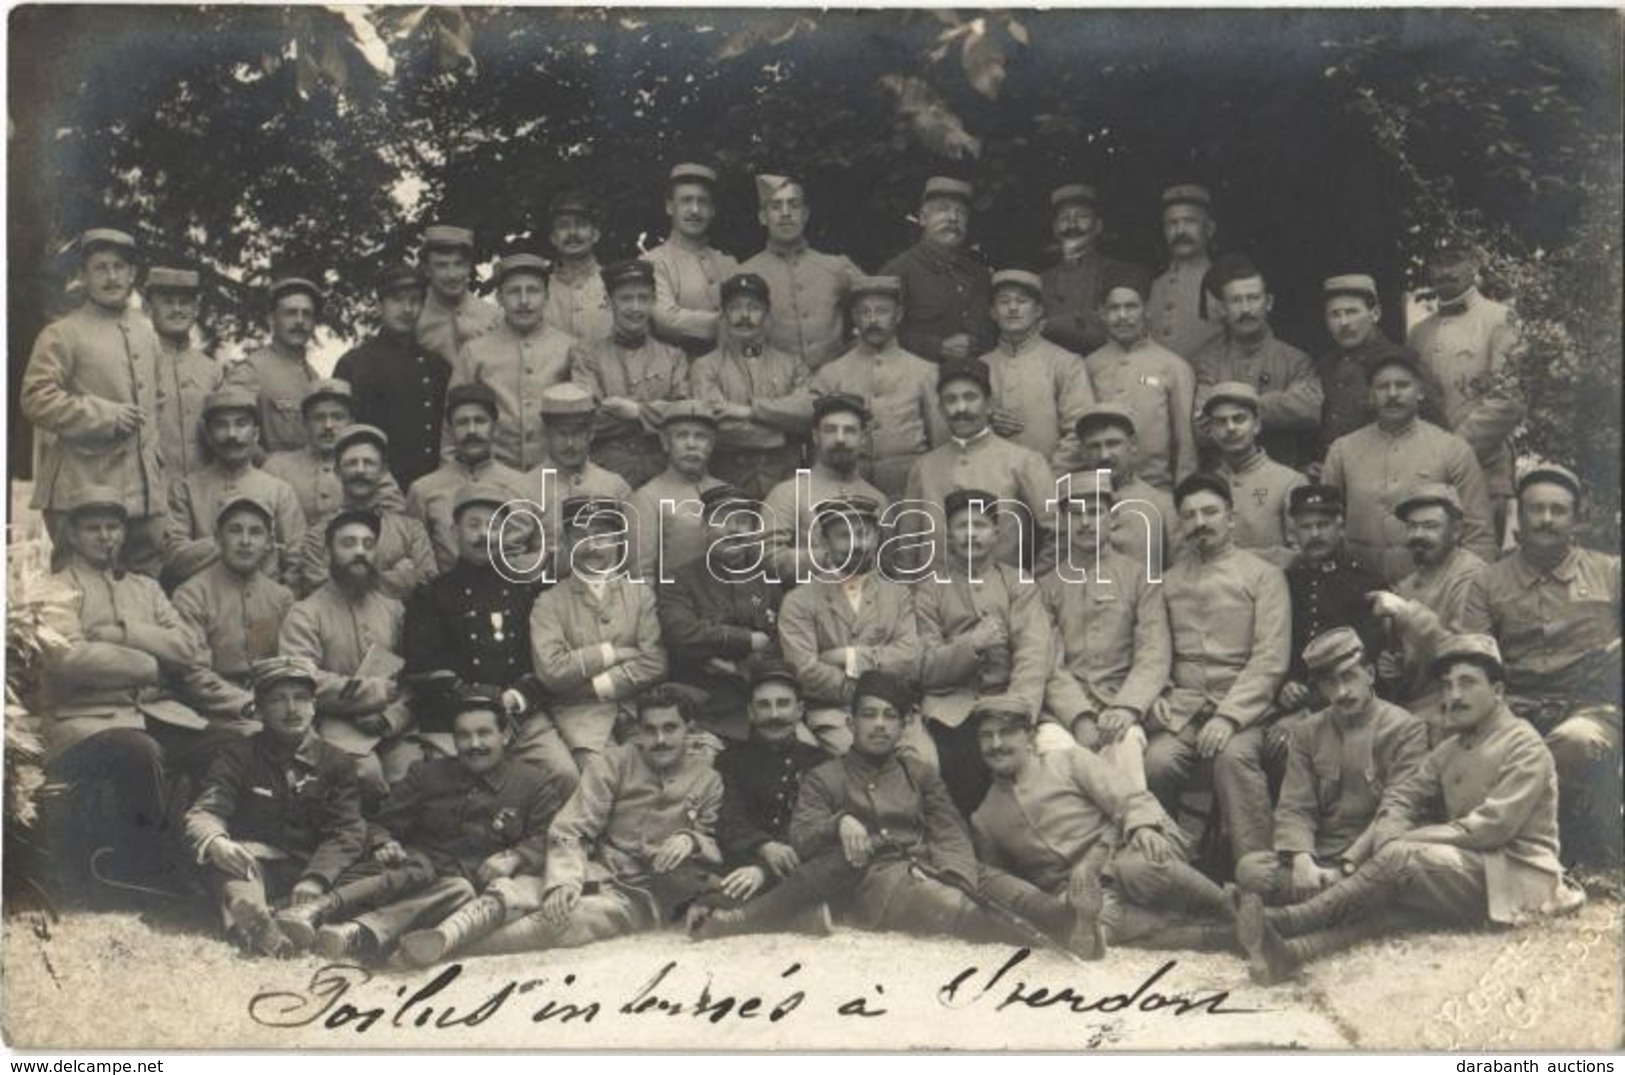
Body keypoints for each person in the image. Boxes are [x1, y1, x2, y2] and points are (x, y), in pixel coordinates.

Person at [1236, 635, 1583, 986]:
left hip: (1515, 875)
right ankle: (1293, 952)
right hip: (1461, 871)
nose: (1454, 696)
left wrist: (1396, 843)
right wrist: (1376, 845)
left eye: (1467, 683)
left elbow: (1489, 830)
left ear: (1497, 691)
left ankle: (1286, 921)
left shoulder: (1525, 745)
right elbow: (1403, 797)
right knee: (1391, 910)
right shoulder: (1452, 746)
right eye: (1446, 686)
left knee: (1400, 862)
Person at [36, 485, 227, 895]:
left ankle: (212, 857)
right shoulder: (55, 589)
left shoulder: (147, 589)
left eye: (113, 527)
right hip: (83, 724)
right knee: (139, 751)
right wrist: (149, 664)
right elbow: (69, 663)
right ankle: (141, 864)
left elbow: (189, 648)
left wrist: (122, 632)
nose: (105, 537)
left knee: (225, 744)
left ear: (124, 533)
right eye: (93, 528)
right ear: (71, 535)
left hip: (152, 715)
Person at [302, 690, 576, 965]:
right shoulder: (426, 775)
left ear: (505, 736)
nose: (474, 744)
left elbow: (551, 837)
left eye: (484, 733)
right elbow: (380, 824)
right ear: (453, 740)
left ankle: (357, 932)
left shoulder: (533, 783)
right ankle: (323, 915)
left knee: (460, 891)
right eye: (464, 736)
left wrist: (516, 856)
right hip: (403, 878)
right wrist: (385, 844)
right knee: (426, 879)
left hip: (455, 895)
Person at [465, 687, 729, 955]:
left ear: (689, 728)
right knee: (517, 892)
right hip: (599, 866)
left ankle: (466, 950)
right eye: (650, 730)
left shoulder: (708, 779)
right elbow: (571, 827)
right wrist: (564, 881)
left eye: (670, 728)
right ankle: (449, 935)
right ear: (639, 731)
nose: (660, 739)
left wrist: (691, 840)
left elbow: (715, 842)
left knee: (573, 919)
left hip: (642, 894)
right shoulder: (615, 763)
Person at [971, 699, 1239, 957]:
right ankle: (1233, 935)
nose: (996, 744)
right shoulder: (985, 817)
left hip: (1123, 851)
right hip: (1087, 890)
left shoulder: (1068, 762)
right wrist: (1058, 901)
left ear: (1029, 736)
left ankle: (1229, 908)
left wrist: (1142, 827)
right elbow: (1003, 880)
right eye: (986, 736)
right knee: (1104, 920)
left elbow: (1127, 798)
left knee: (1139, 868)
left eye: (1006, 733)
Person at [786, 672, 1034, 942]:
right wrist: (838, 822)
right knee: (955, 908)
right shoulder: (824, 777)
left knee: (1018, 894)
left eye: (890, 716)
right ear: (850, 723)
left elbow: (949, 832)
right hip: (880, 883)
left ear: (903, 725)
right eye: (869, 715)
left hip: (933, 865)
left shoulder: (920, 774)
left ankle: (1070, 922)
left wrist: (956, 877)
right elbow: (801, 838)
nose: (879, 725)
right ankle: (1030, 943)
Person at [1458, 465, 1621, 866]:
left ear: (1576, 519)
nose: (1547, 519)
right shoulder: (1488, 582)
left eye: (1558, 510)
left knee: (1576, 742)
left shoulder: (1611, 572)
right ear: (1520, 517)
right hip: (1515, 708)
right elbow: (1473, 658)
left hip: (1592, 709)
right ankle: (1519, 853)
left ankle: (1539, 850)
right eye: (1536, 509)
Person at [1145, 474, 1290, 867]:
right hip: (1184, 708)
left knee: (1232, 759)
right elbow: (1157, 651)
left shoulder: (1263, 576)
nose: (1200, 522)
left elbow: (1270, 658)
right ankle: (1168, 866)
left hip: (1246, 712)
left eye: (1210, 512)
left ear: (1231, 517)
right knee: (1156, 763)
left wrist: (1228, 717)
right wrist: (1158, 692)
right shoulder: (1169, 581)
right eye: (1189, 516)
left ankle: (1257, 874)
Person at [183, 656, 365, 957]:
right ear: (259, 710)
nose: (292, 709)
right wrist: (215, 841)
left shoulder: (336, 761)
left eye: (301, 698)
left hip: (313, 867)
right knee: (234, 871)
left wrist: (316, 877)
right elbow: (206, 810)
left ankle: (296, 916)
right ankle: (261, 929)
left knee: (373, 872)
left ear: (314, 706)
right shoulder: (239, 755)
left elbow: (347, 831)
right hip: (260, 867)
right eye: (278, 700)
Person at [1234, 628, 1428, 905]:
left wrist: (1347, 866)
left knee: (1399, 868)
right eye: (1329, 683)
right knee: (1250, 870)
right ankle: (1337, 902)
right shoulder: (1307, 732)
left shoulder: (1406, 729)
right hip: (1322, 854)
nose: (1342, 692)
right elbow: (1295, 806)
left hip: (1373, 853)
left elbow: (1395, 811)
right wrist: (1303, 861)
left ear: (1370, 674)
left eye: (1349, 677)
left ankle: (1313, 909)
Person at [402, 483, 575, 782]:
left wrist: (519, 698)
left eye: (494, 526)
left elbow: (545, 660)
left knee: (563, 774)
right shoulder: (432, 595)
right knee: (450, 787)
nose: (484, 534)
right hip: (452, 720)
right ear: (454, 533)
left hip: (519, 719)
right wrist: (475, 705)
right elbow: (423, 666)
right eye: (473, 525)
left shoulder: (527, 591)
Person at [22, 228, 166, 575]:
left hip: (143, 498)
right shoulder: (63, 333)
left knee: (141, 596)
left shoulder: (146, 331)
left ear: (132, 274)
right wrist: (104, 415)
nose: (111, 276)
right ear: (84, 275)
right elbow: (35, 398)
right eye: (100, 268)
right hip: (83, 493)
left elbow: (156, 404)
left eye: (120, 267)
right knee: (81, 596)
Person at [913, 489, 1052, 816]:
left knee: (1029, 761)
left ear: (996, 534)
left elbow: (1032, 654)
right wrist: (971, 644)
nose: (971, 534)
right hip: (951, 706)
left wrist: (1019, 711)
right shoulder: (931, 588)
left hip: (1008, 698)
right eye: (962, 526)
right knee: (960, 761)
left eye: (980, 525)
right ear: (948, 535)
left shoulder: (1018, 584)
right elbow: (926, 667)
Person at [278, 509, 415, 802]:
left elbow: (412, 678)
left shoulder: (394, 610)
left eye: (368, 545)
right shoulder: (306, 613)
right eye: (349, 543)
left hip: (387, 726)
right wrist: (371, 692)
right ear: (328, 553)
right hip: (329, 726)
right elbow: (302, 681)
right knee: (364, 773)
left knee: (413, 771)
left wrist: (390, 718)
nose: (360, 552)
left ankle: (394, 844)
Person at [1321, 353, 1495, 583]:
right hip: (1357, 587)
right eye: (1383, 387)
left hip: (1432, 588)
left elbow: (1478, 533)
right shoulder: (1343, 450)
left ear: (1420, 392)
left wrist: (1471, 591)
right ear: (1371, 396)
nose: (1393, 394)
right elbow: (1326, 524)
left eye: (1402, 385)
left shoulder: (1452, 449)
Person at [1041, 471, 1171, 761]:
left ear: (1111, 519)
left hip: (1122, 705)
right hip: (1064, 715)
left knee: (1125, 755)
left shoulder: (1140, 578)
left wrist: (1127, 707)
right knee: (1055, 759)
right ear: (1063, 522)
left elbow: (1153, 652)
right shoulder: (1047, 585)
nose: (1085, 522)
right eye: (1075, 514)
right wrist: (1079, 718)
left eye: (1095, 512)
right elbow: (1048, 663)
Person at [527, 497, 668, 766]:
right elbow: (552, 672)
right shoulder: (549, 602)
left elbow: (656, 663)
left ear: (617, 540)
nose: (591, 546)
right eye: (580, 536)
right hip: (581, 722)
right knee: (602, 778)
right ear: (566, 542)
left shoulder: (640, 595)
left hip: (640, 715)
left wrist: (594, 685)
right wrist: (611, 654)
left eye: (602, 536)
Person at [777, 497, 922, 755]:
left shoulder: (898, 595)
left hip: (895, 713)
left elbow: (910, 658)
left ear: (877, 537)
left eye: (863, 534)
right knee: (855, 761)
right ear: (824, 541)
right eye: (844, 535)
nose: (856, 544)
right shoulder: (799, 600)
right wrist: (867, 693)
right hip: (832, 714)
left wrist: (848, 657)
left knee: (923, 762)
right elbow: (806, 670)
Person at [1408, 242, 1526, 541]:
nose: (1445, 271)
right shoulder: (1418, 334)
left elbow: (1509, 400)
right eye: (1437, 262)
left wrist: (1455, 451)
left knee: (1480, 565)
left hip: (1484, 471)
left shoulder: (1501, 319)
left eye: (1455, 260)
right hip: (1430, 473)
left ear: (1474, 264)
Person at [901, 358, 1058, 575]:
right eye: (951, 400)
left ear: (989, 404)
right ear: (940, 408)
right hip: (934, 599)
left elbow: (1058, 532)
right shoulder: (924, 467)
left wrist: (1028, 583)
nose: (961, 408)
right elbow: (907, 543)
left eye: (970, 397)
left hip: (1003, 599)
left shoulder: (1024, 461)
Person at [656, 486, 784, 744]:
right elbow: (680, 634)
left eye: (742, 522)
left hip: (758, 702)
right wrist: (747, 639)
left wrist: (740, 667)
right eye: (722, 521)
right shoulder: (678, 580)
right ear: (704, 528)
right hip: (701, 708)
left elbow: (781, 640)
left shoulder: (767, 580)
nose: (733, 530)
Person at [809, 275, 946, 498]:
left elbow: (940, 442)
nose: (873, 320)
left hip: (910, 486)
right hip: (848, 487)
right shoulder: (831, 374)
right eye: (864, 312)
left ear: (898, 315)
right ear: (854, 317)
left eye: (882, 311)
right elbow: (817, 443)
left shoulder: (925, 372)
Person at [164, 386, 306, 588]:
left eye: (241, 424)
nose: (232, 435)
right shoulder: (185, 489)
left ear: (256, 433)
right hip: (204, 604)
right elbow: (173, 558)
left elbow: (296, 561)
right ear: (208, 434)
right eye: (221, 425)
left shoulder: (279, 491)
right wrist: (248, 545)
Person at [1192, 254, 1324, 470]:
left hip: (1281, 475)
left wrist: (1231, 410)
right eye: (1236, 301)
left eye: (1253, 298)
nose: (1246, 309)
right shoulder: (1207, 363)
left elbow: (1309, 409)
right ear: (1224, 308)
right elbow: (1201, 429)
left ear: (1268, 302)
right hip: (1223, 481)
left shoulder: (1295, 360)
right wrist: (1279, 408)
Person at [172, 496, 296, 723]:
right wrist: (248, 705)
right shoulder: (191, 595)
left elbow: (289, 665)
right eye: (236, 531)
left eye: (256, 532)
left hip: (273, 710)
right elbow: (192, 674)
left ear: (269, 543)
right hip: (212, 715)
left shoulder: (281, 598)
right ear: (219, 539)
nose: (246, 541)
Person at [447, 252, 576, 471]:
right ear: (500, 298)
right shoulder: (475, 351)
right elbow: (452, 421)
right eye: (514, 292)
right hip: (493, 472)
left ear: (546, 296)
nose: (524, 301)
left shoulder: (568, 348)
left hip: (553, 471)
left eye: (533, 291)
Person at [690, 271, 814, 497]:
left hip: (785, 481)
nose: (744, 316)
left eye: (754, 308)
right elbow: (716, 426)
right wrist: (786, 434)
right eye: (735, 308)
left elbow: (808, 412)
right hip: (727, 481)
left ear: (767, 315)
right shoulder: (705, 366)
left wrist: (749, 411)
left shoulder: (792, 364)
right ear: (724, 315)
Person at [572, 258, 693, 488]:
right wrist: (658, 413)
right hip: (607, 472)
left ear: (654, 301)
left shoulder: (674, 356)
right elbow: (589, 420)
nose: (636, 307)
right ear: (609, 302)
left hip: (665, 473)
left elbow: (685, 415)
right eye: (626, 299)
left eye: (643, 298)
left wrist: (636, 411)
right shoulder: (587, 356)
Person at [1080, 263, 1196, 491]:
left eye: (1131, 307)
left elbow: (1186, 444)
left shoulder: (1173, 366)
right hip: (1100, 493)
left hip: (1156, 490)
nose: (1122, 316)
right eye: (1113, 308)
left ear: (1147, 310)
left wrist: (1182, 495)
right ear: (1102, 314)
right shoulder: (1088, 365)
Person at [333, 262, 449, 490]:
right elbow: (342, 437)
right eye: (397, 300)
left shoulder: (437, 366)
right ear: (379, 306)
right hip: (374, 488)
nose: (407, 309)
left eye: (415, 300)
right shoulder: (355, 364)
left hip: (429, 488)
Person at [1278, 484, 1386, 719]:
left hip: (1347, 702)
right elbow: (1278, 646)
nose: (1315, 534)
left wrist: (1315, 707)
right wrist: (1286, 684)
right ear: (1295, 532)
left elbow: (1369, 660)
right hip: (1292, 702)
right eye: (1306, 527)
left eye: (1323, 525)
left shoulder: (1365, 582)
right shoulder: (1286, 582)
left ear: (1341, 527)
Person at [738, 173, 864, 370]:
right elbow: (737, 345)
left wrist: (856, 350)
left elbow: (879, 308)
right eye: (776, 206)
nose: (786, 213)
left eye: (793, 205)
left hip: (835, 387)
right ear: (763, 217)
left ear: (805, 214)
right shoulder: (745, 274)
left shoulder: (836, 267)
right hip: (776, 389)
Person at [404, 382, 532, 576]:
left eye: (480, 421)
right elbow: (417, 558)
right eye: (462, 423)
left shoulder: (524, 486)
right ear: (451, 430)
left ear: (495, 428)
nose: (471, 430)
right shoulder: (424, 490)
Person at [296, 424, 436, 600]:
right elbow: (319, 590)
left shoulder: (411, 530)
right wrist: (398, 578)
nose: (360, 470)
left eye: (369, 463)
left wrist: (346, 578)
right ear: (337, 471)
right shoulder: (317, 535)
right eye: (351, 463)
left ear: (383, 471)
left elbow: (429, 583)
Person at [761, 393, 890, 582]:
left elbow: (886, 565)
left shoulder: (878, 500)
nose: (840, 439)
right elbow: (767, 558)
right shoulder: (788, 493)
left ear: (863, 438)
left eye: (849, 431)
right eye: (830, 430)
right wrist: (830, 558)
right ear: (815, 436)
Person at [1379, 484, 1487, 705]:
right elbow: (1410, 663)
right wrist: (1397, 668)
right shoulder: (1407, 585)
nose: (1418, 535)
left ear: (1456, 531)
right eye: (1412, 526)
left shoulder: (1472, 575)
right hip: (1416, 706)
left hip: (1456, 703)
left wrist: (1406, 612)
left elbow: (1465, 654)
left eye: (1430, 526)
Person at [977, 268, 1095, 464]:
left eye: (1022, 301)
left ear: (1039, 311)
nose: (1013, 308)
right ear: (993, 313)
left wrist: (1046, 478)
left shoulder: (1065, 363)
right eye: (1004, 301)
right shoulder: (980, 366)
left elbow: (1081, 429)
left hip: (1050, 482)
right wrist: (985, 420)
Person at [1315, 273, 1437, 460]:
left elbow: (1435, 431)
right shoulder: (1324, 366)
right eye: (1335, 314)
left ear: (1375, 313)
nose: (1344, 323)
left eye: (1352, 312)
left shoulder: (1403, 362)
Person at [879, 176, 995, 363]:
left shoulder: (980, 275)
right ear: (923, 218)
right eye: (942, 210)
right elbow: (877, 333)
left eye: (962, 213)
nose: (953, 218)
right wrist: (936, 346)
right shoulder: (898, 270)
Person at [521, 383, 633, 575]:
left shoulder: (615, 486)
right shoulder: (524, 488)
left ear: (591, 433)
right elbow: (511, 561)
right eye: (562, 434)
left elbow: (631, 555)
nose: (570, 444)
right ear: (547, 433)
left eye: (578, 433)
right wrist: (562, 559)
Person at [263, 378, 405, 524]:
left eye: (337, 417)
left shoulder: (369, 468)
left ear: (351, 422)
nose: (328, 426)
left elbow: (395, 522)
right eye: (319, 418)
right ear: (305, 423)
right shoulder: (277, 468)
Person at [1203, 381, 1307, 567]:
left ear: (1256, 425)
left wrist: (1238, 561)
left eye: (1239, 419)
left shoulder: (1289, 482)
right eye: (1221, 422)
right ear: (1211, 431)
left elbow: (1302, 555)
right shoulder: (1203, 485)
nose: (1231, 428)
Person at [1062, 403, 1175, 573]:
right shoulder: (1068, 508)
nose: (1104, 455)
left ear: (1133, 445)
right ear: (1082, 452)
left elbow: (1178, 573)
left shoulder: (1162, 506)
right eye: (1094, 446)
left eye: (1113, 444)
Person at [626, 399, 728, 580]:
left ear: (711, 445)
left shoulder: (727, 493)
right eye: (682, 435)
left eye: (700, 437)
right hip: (672, 603)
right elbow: (641, 574)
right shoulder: (647, 498)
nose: (691, 444)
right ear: (666, 443)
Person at [646, 163, 740, 356]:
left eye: (702, 202)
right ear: (670, 207)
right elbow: (666, 321)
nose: (695, 210)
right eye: (686, 201)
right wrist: (732, 323)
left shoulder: (728, 264)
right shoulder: (653, 262)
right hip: (678, 376)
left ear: (713, 210)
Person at [223, 275, 324, 454]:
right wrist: (269, 470)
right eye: (291, 313)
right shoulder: (251, 370)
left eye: (307, 314)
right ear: (271, 319)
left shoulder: (313, 376)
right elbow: (231, 432)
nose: (300, 321)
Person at [145, 265, 222, 500]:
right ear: (149, 308)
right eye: (168, 301)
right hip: (153, 494)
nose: (177, 309)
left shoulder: (212, 370)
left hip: (206, 496)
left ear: (196, 309)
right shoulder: (134, 365)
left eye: (185, 302)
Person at [1039, 182, 1127, 357]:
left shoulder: (1116, 273)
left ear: (1098, 226)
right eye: (1064, 219)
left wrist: (1051, 326)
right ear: (1055, 228)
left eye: (1082, 217)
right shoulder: (1042, 280)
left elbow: (1113, 328)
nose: (1073, 225)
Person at [1146, 185, 1223, 361]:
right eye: (1172, 223)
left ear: (1209, 228)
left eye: (1189, 222)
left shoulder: (1224, 283)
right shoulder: (1154, 285)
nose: (1180, 231)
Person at [415, 223, 503, 368]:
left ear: (469, 267)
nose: (452, 275)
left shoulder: (493, 317)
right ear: (427, 270)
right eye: (441, 266)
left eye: (459, 264)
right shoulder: (416, 320)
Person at [542, 191, 612, 344]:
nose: (572, 233)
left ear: (595, 234)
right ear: (553, 238)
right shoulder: (540, 290)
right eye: (563, 226)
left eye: (581, 225)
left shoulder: (614, 284)